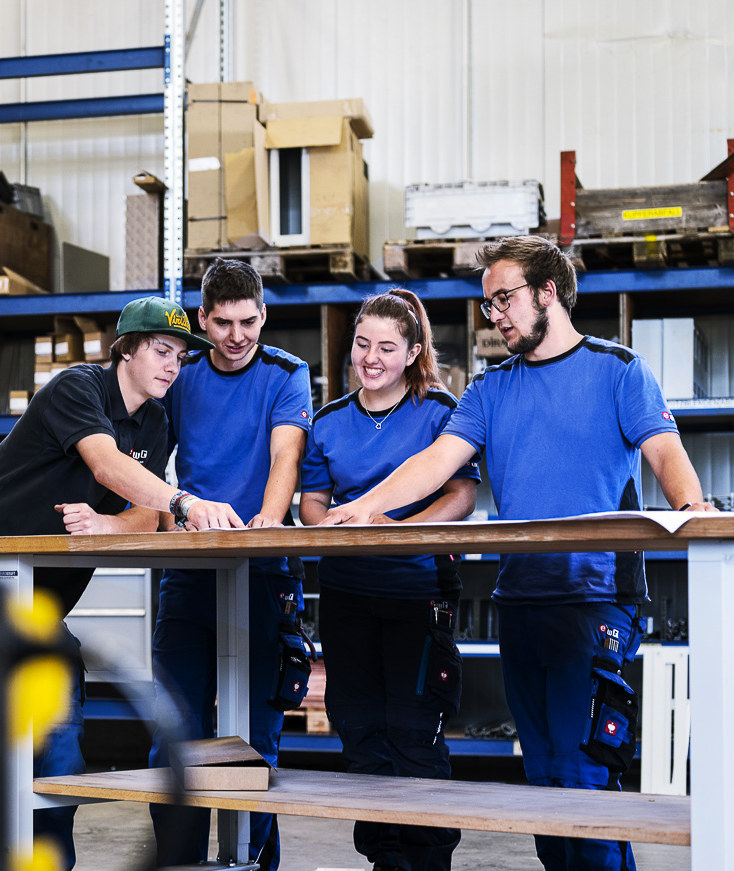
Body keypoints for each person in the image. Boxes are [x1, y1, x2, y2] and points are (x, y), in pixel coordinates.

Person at [322, 236, 716, 871]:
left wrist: (691, 507)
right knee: (542, 780)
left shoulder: (618, 370)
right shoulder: (489, 390)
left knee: (581, 772)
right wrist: (367, 507)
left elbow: (664, 451)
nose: (494, 315)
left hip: (593, 599)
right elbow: (435, 464)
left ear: (547, 293)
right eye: (488, 304)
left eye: (503, 298)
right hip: (523, 597)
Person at [0, 296, 242, 870]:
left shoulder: (156, 421)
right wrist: (185, 501)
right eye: (162, 351)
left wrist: (111, 522)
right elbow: (109, 467)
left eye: (181, 357)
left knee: (57, 760)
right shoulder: (76, 389)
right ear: (126, 351)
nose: (171, 366)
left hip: (31, 606)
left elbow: (145, 509)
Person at [299, 288, 479, 871]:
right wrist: (332, 522)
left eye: (386, 347)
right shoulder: (328, 421)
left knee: (413, 731)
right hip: (347, 596)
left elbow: (461, 495)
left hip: (417, 594)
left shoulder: (438, 411)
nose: (370, 358)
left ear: (413, 352)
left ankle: (427, 861)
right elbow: (312, 505)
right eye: (361, 344)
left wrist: (400, 531)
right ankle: (385, 860)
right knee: (360, 729)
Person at [148, 258, 312, 869]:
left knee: (256, 740)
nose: (237, 336)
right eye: (222, 323)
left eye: (249, 321)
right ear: (202, 320)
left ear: (263, 315)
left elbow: (284, 459)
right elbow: (148, 460)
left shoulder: (286, 374)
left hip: (265, 572)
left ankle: (252, 864)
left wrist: (268, 523)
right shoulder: (181, 375)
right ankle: (179, 864)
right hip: (192, 571)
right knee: (175, 729)